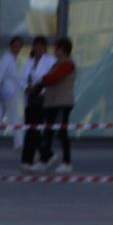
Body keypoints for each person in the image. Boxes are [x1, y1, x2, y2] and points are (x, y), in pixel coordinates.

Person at [36, 36, 78, 175]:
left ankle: (67, 162)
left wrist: (43, 80)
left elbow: (53, 78)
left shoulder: (67, 64)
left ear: (62, 49)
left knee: (62, 132)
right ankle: (45, 159)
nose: (54, 50)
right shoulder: (57, 63)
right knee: (48, 132)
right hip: (52, 103)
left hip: (62, 103)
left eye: (56, 48)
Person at [19, 36, 57, 172]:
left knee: (34, 130)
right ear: (33, 47)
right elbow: (23, 79)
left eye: (42, 47)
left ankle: (27, 159)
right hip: (30, 98)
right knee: (30, 129)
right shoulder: (29, 62)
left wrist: (43, 90)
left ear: (45, 48)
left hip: (42, 98)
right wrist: (26, 88)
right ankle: (46, 154)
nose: (39, 49)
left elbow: (51, 79)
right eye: (36, 46)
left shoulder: (50, 61)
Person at [0, 35, 25, 151]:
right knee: (15, 118)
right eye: (15, 46)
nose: (17, 49)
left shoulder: (13, 60)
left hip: (4, 93)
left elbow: (17, 79)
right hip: (8, 93)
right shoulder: (7, 59)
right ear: (11, 46)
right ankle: (19, 143)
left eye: (19, 47)